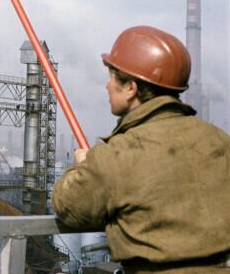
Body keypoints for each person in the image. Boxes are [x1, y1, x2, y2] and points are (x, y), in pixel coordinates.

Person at [52, 25, 230, 273]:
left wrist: (83, 167)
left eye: (112, 76)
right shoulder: (220, 141)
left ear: (130, 88)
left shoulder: (117, 154)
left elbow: (68, 207)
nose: (106, 85)